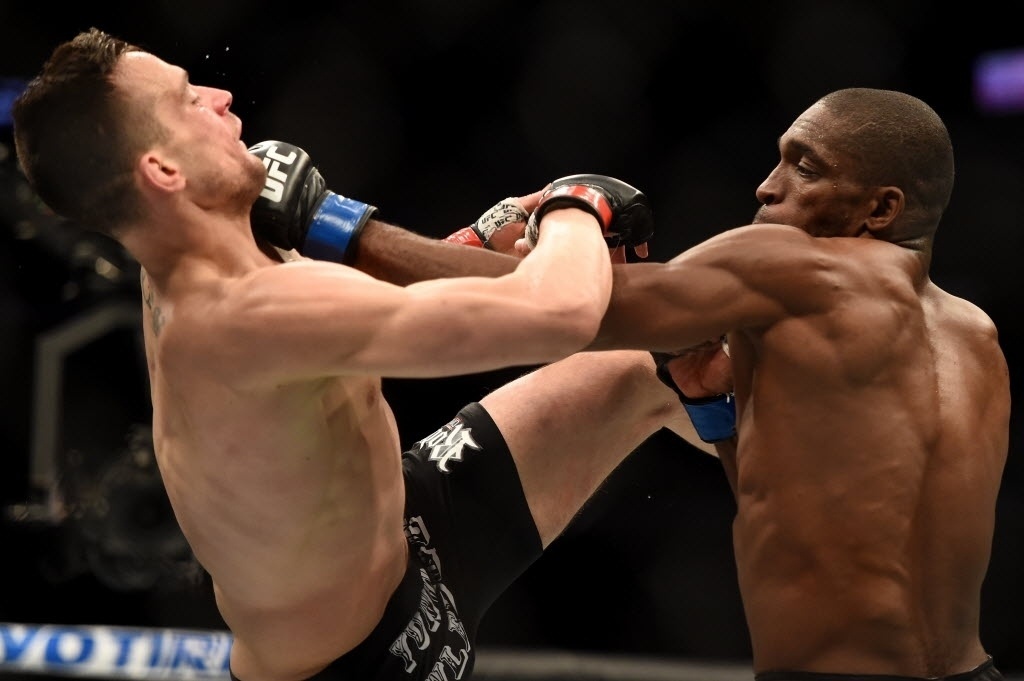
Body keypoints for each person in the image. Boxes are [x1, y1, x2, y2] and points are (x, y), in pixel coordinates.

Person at [12, 27, 721, 681]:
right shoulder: (232, 318)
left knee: (647, 364)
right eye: (187, 99)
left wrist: (480, 236)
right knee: (621, 331)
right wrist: (573, 209)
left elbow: (366, 313)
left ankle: (810, 512)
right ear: (163, 169)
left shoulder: (216, 236)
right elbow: (557, 312)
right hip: (356, 666)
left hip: (417, 523)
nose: (221, 97)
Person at [331, 88, 1011, 679]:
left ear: (880, 209)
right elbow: (803, 521)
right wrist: (714, 414)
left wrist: (330, 223)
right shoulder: (979, 340)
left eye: (804, 166)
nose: (767, 185)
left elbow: (563, 307)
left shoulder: (794, 264)